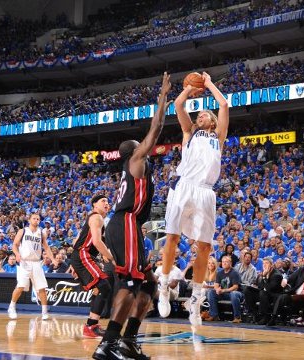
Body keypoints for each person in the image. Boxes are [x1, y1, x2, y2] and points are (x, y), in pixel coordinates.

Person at [93, 72, 171, 360]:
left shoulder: (137, 168)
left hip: (131, 225)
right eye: (143, 145)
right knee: (130, 283)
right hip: (125, 222)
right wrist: (163, 97)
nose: (148, 149)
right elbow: (158, 126)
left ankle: (128, 340)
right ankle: (109, 343)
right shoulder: (135, 160)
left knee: (148, 283)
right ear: (136, 152)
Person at [158, 71, 229, 328]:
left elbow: (223, 104)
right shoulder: (189, 132)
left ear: (212, 122)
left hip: (206, 191)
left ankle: (197, 302)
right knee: (173, 237)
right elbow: (178, 105)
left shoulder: (218, 137)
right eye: (198, 115)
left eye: (204, 115)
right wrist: (189, 89)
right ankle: (164, 285)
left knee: (204, 247)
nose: (201, 116)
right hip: (184, 186)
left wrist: (209, 83)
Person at [70, 194, 116, 339]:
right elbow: (96, 242)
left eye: (108, 202)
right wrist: (111, 258)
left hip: (82, 255)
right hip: (84, 254)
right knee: (104, 286)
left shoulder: (95, 219)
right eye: (103, 201)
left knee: (99, 289)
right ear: (95, 205)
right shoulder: (97, 217)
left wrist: (73, 262)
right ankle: (91, 326)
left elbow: (77, 239)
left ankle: (91, 326)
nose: (107, 203)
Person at [8, 213, 57, 320]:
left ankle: (44, 312)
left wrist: (53, 259)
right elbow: (15, 245)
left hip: (36, 263)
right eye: (34, 218)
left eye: (38, 219)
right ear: (29, 220)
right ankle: (12, 306)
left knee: (42, 288)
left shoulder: (41, 233)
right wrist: (17, 254)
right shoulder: (23, 231)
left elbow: (47, 248)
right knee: (20, 286)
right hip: (24, 262)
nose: (36, 220)